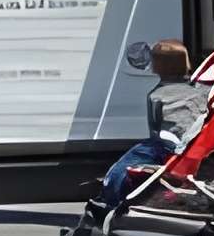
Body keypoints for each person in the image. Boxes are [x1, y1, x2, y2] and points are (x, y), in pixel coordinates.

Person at [85, 40, 207, 216]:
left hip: (167, 147)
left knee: (120, 169)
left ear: (158, 66)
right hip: (196, 146)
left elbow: (155, 128)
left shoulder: (155, 96)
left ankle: (109, 202)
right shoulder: (200, 92)